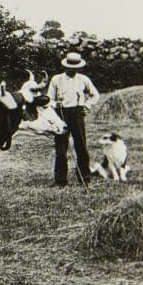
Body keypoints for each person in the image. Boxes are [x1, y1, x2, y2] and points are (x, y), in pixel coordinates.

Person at [47, 52, 100, 186]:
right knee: (61, 148)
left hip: (77, 113)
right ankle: (60, 180)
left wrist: (87, 106)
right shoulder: (56, 79)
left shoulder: (83, 79)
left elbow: (95, 95)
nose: (73, 70)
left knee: (81, 146)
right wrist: (55, 104)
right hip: (61, 114)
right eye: (70, 68)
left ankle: (85, 178)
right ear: (65, 67)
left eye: (76, 68)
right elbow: (49, 99)